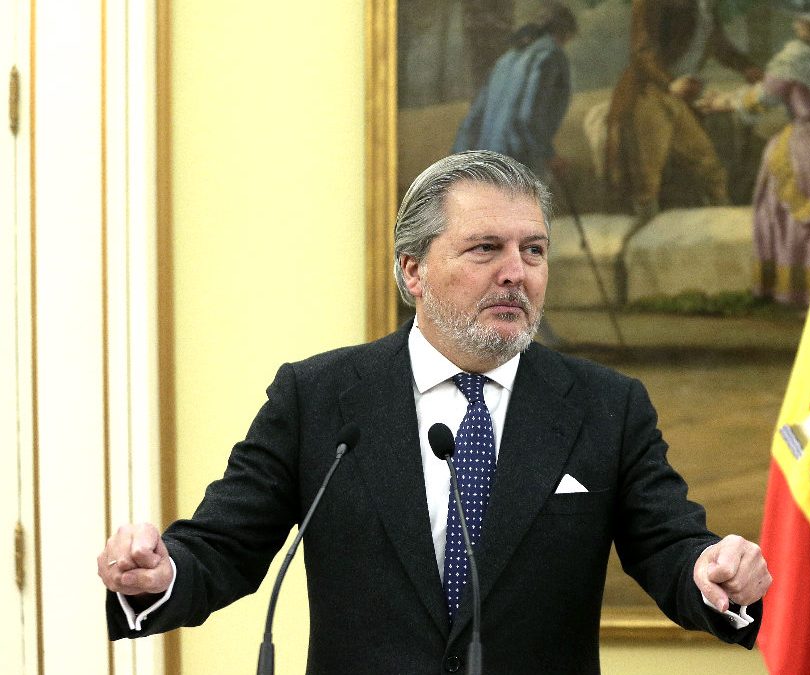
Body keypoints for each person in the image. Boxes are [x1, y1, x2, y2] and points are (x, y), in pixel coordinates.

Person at [97, 151, 772, 674]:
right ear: (413, 270)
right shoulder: (319, 398)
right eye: (486, 248)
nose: (518, 272)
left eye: (533, 250)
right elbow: (224, 547)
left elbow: (668, 547)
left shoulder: (605, 406)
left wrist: (713, 572)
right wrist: (164, 573)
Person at [700, 0, 810, 308]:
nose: (794, 24)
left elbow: (761, 99)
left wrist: (723, 102)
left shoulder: (793, 60)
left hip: (802, 146)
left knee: (791, 218)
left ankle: (803, 291)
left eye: (800, 20)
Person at [603, 0, 762, 219]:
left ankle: (723, 224)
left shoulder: (705, 6)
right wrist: (670, 83)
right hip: (649, 92)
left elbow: (717, 43)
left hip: (679, 96)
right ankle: (644, 238)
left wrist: (746, 66)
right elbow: (641, 51)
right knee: (647, 181)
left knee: (710, 169)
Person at [452, 3, 577, 180]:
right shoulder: (550, 56)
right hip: (519, 163)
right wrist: (550, 156)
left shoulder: (506, 60)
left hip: (489, 164)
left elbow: (474, 117)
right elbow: (528, 117)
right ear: (565, 32)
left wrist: (459, 161)